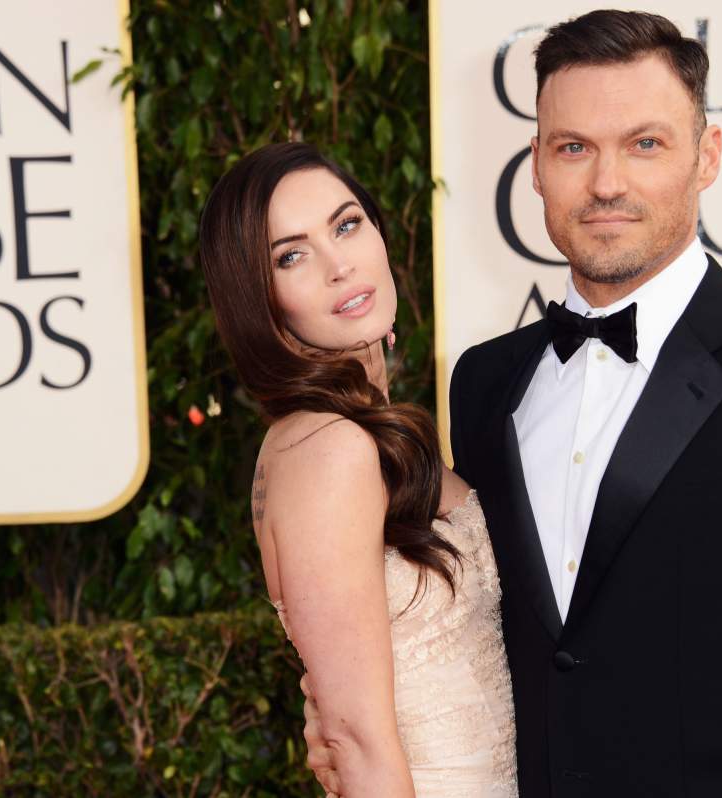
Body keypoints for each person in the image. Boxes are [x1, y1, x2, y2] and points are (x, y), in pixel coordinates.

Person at [305, 9, 722, 798]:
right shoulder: (483, 384)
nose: (606, 183)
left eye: (645, 143)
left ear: (707, 157)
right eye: (574, 147)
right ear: (535, 164)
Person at [198, 142, 518, 797]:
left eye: (346, 225)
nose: (338, 265)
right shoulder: (329, 448)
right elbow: (354, 738)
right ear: (259, 298)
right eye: (291, 255)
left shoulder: (362, 431)